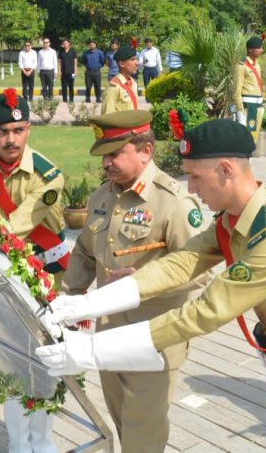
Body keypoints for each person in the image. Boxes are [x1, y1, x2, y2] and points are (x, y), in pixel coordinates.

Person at [37, 118, 266, 453]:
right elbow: (184, 261)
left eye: (196, 177)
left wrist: (90, 352)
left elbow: (204, 312)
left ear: (226, 170)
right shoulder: (236, 217)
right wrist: (90, 304)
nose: (190, 188)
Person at [59, 109, 207, 453]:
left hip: (152, 338)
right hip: (108, 333)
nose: (106, 163)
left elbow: (201, 271)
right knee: (124, 423)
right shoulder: (103, 196)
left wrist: (145, 279)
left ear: (145, 151)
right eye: (103, 155)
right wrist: (66, 298)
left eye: (115, 153)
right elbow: (84, 251)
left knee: (144, 434)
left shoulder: (173, 203)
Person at [0, 88, 68, 453]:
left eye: (18, 130)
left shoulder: (48, 175)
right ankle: (19, 445)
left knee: (47, 359)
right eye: (2, 131)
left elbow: (13, 230)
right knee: (11, 360)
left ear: (29, 129)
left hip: (45, 275)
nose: (10, 139)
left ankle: (44, 442)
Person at [232, 37, 264, 136]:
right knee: (245, 135)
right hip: (247, 106)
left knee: (254, 134)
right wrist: (239, 111)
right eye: (258, 48)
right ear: (250, 50)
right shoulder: (241, 66)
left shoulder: (257, 65)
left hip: (257, 105)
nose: (261, 50)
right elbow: (236, 90)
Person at [101, 46, 140, 114]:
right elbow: (107, 117)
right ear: (122, 64)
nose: (137, 63)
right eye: (132, 59)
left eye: (136, 59)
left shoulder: (133, 83)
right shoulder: (113, 87)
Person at [58, 38, 78, 103]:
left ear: (69, 44)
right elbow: (60, 62)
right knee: (64, 87)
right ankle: (64, 99)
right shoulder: (61, 51)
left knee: (71, 86)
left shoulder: (73, 51)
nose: (65, 45)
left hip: (71, 72)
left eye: (66, 43)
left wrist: (75, 71)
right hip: (63, 72)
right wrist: (59, 71)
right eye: (64, 44)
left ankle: (71, 99)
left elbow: (75, 61)